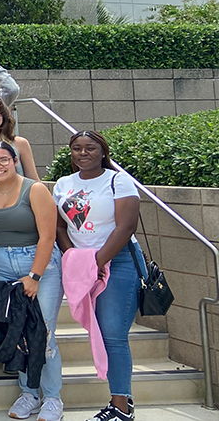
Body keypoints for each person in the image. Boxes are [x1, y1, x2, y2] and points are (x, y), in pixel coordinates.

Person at [52, 130, 144, 421]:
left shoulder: (119, 180)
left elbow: (126, 225)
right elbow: (59, 228)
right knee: (103, 334)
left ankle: (121, 407)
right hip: (84, 266)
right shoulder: (63, 184)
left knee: (113, 334)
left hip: (118, 261)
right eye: (76, 148)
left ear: (103, 151)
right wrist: (73, 258)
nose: (83, 153)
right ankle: (118, 402)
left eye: (90, 148)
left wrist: (99, 261)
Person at [0, 140, 64, 420]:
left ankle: (52, 398)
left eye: (3, 160)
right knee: (18, 332)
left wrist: (35, 276)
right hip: (3, 265)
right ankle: (28, 393)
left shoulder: (35, 190)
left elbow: (48, 236)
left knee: (43, 333)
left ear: (15, 160)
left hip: (39, 264)